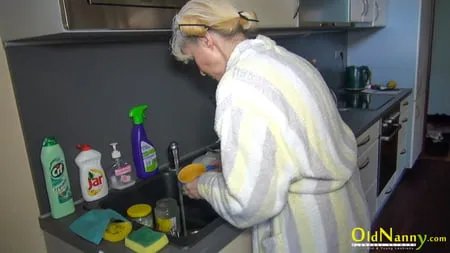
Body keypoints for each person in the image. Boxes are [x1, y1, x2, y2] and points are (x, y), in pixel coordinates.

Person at [170, 0, 371, 252]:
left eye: (194, 58)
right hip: (346, 214)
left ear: (208, 40)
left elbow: (247, 204)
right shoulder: (285, 58)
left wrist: (204, 185)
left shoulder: (239, 85)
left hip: (310, 234)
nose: (200, 70)